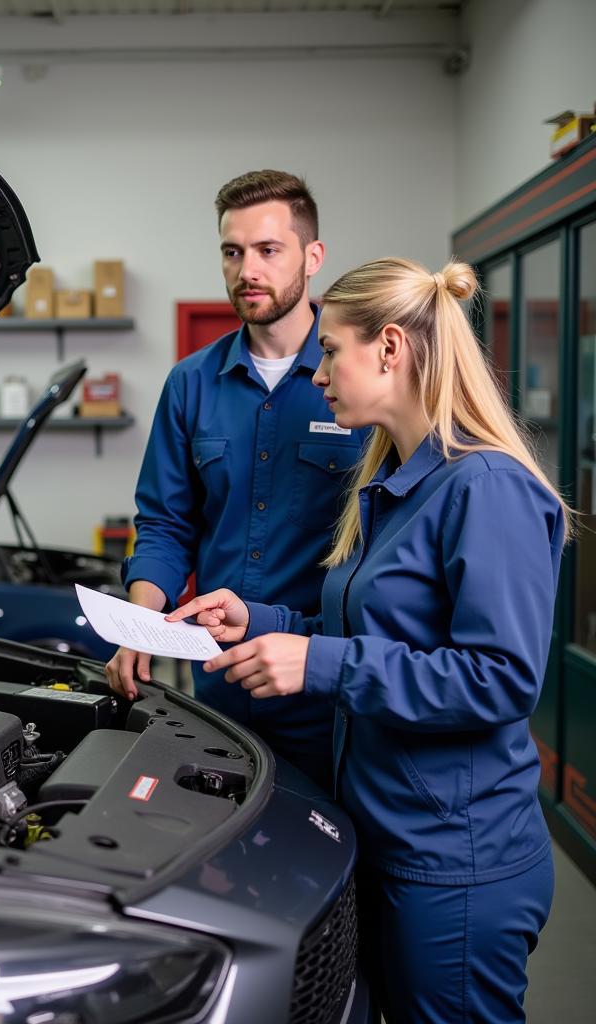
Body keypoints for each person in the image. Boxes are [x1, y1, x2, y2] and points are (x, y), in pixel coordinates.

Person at [168, 257, 569, 1023]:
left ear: (390, 348)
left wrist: (318, 662)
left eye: (330, 350)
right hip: (384, 838)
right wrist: (263, 622)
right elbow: (365, 632)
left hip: (457, 860)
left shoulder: (487, 489)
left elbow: (501, 678)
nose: (318, 374)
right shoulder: (393, 483)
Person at [106, 170, 369, 791]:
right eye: (232, 251)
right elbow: (166, 523)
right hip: (217, 683)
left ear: (313, 256)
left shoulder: (358, 381)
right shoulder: (190, 384)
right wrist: (139, 624)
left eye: (268, 250)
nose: (247, 269)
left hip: (320, 683)